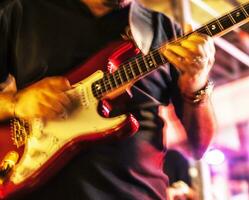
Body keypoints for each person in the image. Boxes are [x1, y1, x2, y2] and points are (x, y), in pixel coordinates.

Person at [0, 0, 216, 199]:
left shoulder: (164, 31)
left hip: (139, 192)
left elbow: (200, 147)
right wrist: (16, 103)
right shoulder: (22, 10)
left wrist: (196, 84)